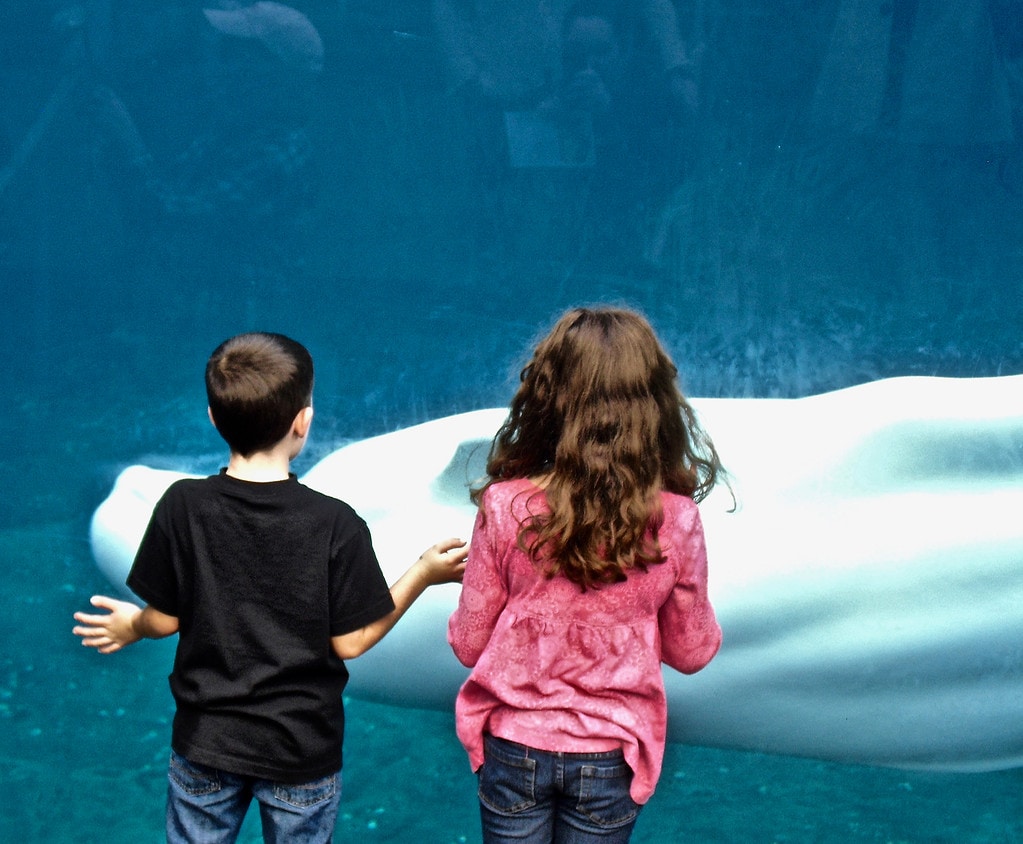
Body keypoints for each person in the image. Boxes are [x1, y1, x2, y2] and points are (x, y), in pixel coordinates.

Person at [72, 331, 467, 843]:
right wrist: (422, 573)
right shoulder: (336, 519)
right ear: (304, 422)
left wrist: (132, 624)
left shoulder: (183, 508)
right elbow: (351, 642)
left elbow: (165, 618)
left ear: (213, 420)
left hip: (207, 744)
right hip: (301, 748)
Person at [448, 307, 724, 843]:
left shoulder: (506, 506)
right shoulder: (676, 518)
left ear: (548, 399)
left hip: (513, 746)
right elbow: (692, 652)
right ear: (653, 407)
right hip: (610, 752)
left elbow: (467, 644)